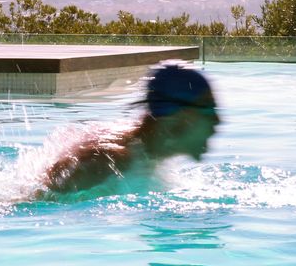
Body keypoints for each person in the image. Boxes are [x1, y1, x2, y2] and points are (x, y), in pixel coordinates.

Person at [40, 63, 220, 195]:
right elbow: (34, 206)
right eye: (208, 110)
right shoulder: (107, 163)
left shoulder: (145, 156)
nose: (217, 121)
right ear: (179, 117)